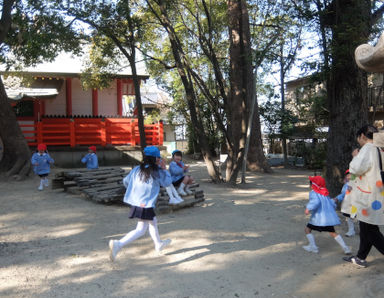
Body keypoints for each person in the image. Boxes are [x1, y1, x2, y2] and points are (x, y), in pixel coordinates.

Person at [108, 146, 172, 262]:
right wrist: (164, 169)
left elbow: (125, 182)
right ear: (155, 158)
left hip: (137, 202)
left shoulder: (137, 169)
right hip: (145, 204)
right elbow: (167, 183)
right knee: (141, 229)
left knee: (150, 223)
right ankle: (119, 244)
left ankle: (158, 244)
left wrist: (135, 193)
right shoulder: (157, 172)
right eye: (159, 157)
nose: (160, 159)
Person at [342, 125, 384, 268]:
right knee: (366, 227)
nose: (358, 140)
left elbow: (356, 169)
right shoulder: (379, 148)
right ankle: (360, 257)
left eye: (358, 137)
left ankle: (360, 257)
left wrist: (355, 156)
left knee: (370, 230)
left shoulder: (368, 148)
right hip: (375, 194)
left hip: (367, 196)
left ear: (362, 136)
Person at [303, 176, 351, 255]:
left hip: (318, 219)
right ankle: (346, 248)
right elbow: (330, 203)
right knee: (333, 232)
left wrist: (308, 208)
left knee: (307, 230)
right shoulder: (325, 193)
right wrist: (338, 198)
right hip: (327, 219)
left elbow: (316, 202)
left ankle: (313, 247)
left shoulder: (313, 193)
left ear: (313, 185)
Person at [334, 169, 356, 237]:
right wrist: (337, 198)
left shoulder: (357, 183)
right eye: (348, 174)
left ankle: (364, 232)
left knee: (358, 217)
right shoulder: (346, 184)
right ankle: (351, 230)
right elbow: (343, 194)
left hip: (356, 204)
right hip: (348, 204)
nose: (349, 176)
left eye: (351, 174)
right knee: (349, 217)